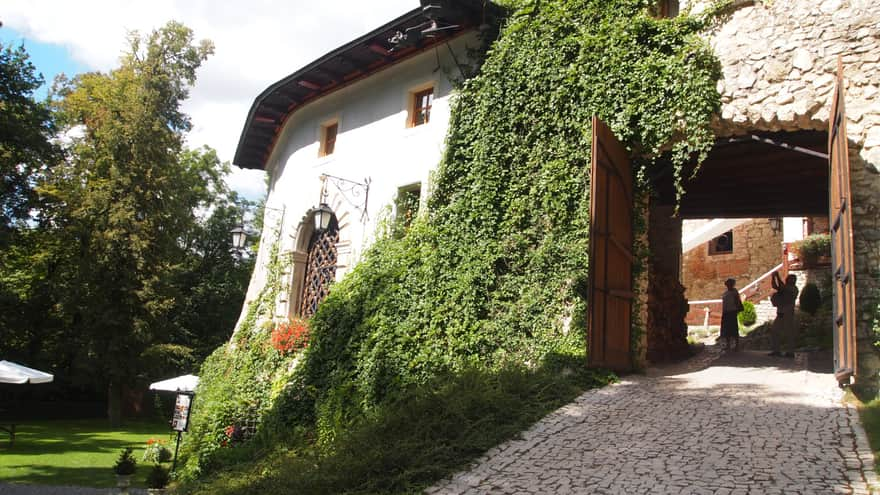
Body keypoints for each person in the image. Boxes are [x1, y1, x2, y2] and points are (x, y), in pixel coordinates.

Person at [769, 271, 799, 357]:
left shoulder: (793, 289)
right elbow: (775, 286)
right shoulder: (786, 288)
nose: (788, 280)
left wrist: (777, 276)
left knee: (789, 332)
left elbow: (781, 287)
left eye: (790, 279)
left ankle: (790, 352)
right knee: (775, 331)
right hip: (780, 313)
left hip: (788, 313)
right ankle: (776, 350)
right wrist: (773, 277)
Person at [721, 278, 744, 350]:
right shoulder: (725, 293)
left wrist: (737, 310)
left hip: (732, 312)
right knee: (727, 329)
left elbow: (737, 301)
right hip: (726, 312)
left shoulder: (734, 292)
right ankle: (728, 345)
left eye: (730, 284)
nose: (729, 285)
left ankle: (737, 345)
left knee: (734, 328)